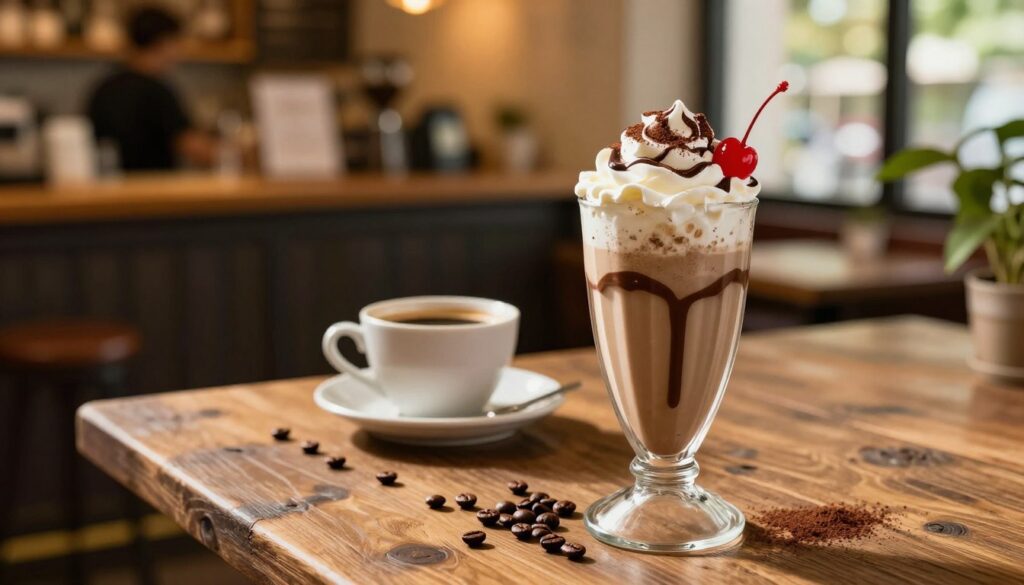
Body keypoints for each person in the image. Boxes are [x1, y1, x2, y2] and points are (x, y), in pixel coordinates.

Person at [86, 7, 216, 171]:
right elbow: (193, 147)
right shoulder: (157, 91)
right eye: (177, 43)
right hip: (155, 190)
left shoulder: (104, 87)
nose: (180, 52)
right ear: (163, 42)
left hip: (106, 189)